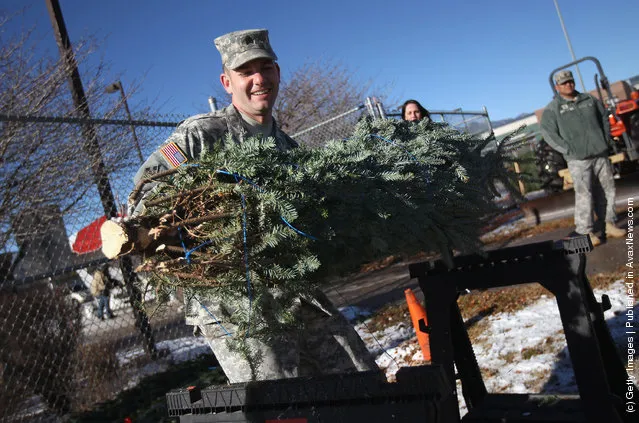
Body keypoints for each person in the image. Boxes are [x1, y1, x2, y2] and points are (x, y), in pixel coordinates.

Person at [128, 29, 377, 383]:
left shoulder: (288, 149)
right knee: (278, 399)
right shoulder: (201, 135)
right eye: (246, 72)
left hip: (292, 289)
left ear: (278, 72)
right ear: (226, 82)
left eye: (266, 67)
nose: (259, 79)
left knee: (360, 379)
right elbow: (142, 195)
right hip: (231, 302)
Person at [540, 70, 626, 246]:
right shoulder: (553, 109)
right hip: (578, 160)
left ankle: (608, 223)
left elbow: (603, 117)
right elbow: (548, 133)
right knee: (584, 194)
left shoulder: (589, 100)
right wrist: (566, 148)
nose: (568, 85)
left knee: (608, 189)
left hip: (599, 153)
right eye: (564, 83)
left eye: (570, 81)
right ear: (557, 87)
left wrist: (606, 138)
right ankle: (586, 232)